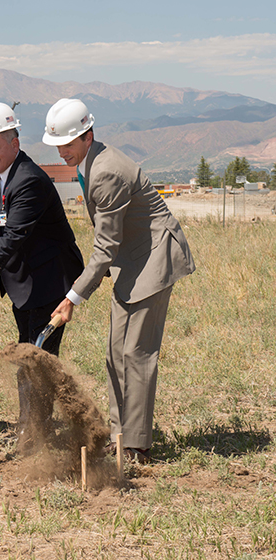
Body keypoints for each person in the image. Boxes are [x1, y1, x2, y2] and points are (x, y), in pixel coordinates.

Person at [43, 98, 195, 463]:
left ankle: (137, 447)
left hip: (155, 257)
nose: (62, 151)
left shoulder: (106, 171)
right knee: (115, 352)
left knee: (136, 353)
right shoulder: (89, 162)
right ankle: (119, 436)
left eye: (68, 143)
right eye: (58, 145)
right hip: (133, 262)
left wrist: (72, 298)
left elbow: (105, 247)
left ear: (88, 135)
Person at [0, 103, 84, 432]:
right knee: (30, 351)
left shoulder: (30, 180)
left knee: (35, 357)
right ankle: (38, 424)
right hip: (21, 281)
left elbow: (14, 234)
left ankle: (34, 431)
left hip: (50, 279)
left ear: (15, 142)